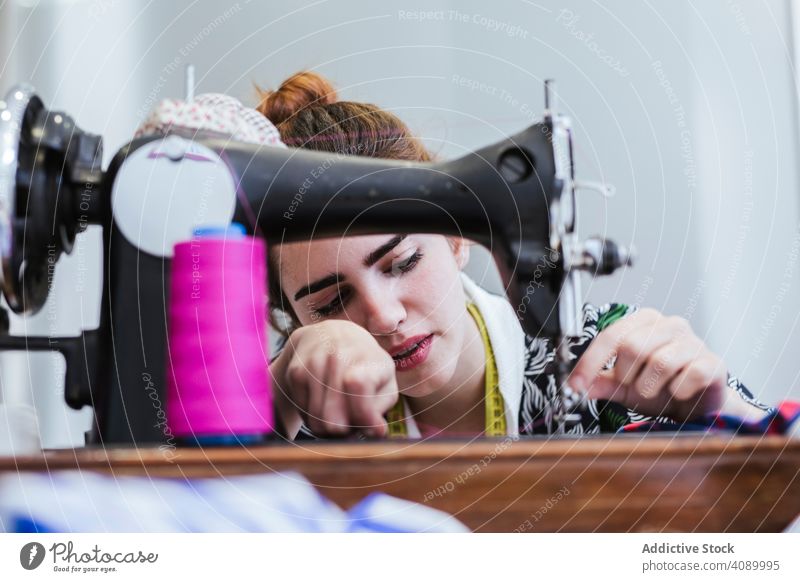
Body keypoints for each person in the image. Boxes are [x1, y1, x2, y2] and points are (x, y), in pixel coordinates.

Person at [258, 71, 771, 441]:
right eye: (328, 304)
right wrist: (268, 409)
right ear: (290, 318)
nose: (386, 316)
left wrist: (725, 414)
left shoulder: (610, 361)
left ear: (457, 238)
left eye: (405, 262)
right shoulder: (298, 418)